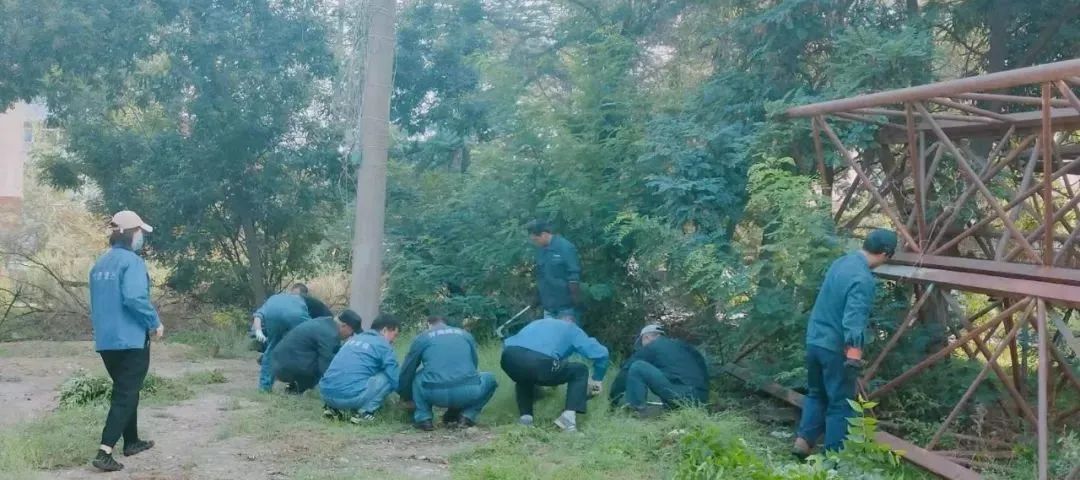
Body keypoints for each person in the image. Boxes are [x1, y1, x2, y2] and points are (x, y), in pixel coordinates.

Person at [793, 229, 897, 458]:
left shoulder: (840, 263)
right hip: (834, 348)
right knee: (840, 404)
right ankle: (834, 459)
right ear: (885, 253)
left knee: (816, 393)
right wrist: (854, 355)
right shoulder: (863, 279)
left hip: (814, 340)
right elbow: (854, 318)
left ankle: (803, 442)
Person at [87, 210, 161, 472]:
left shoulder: (100, 264)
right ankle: (105, 452)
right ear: (132, 233)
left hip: (106, 340)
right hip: (130, 340)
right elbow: (134, 298)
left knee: (127, 389)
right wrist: (154, 322)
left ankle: (132, 441)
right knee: (125, 394)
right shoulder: (132, 262)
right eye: (140, 232)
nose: (142, 237)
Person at [500, 316, 609, 432]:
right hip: (537, 362)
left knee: (524, 375)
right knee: (580, 370)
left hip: (508, 357)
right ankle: (568, 419)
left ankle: (526, 418)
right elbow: (602, 354)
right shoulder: (571, 328)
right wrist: (597, 379)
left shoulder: (539, 322)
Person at [399, 316, 498, 431]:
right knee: (490, 379)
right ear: (446, 324)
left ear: (429, 325)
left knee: (417, 376)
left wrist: (405, 395)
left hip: (434, 393)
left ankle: (423, 418)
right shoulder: (465, 335)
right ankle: (467, 416)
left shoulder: (423, 337)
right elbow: (474, 365)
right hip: (468, 392)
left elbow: (408, 369)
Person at [609, 324, 709, 417]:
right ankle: (673, 409)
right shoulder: (683, 346)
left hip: (682, 394)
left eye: (641, 343)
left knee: (637, 366)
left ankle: (636, 412)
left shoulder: (652, 346)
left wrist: (612, 400)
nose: (642, 347)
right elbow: (702, 367)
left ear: (646, 337)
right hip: (700, 398)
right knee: (671, 377)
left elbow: (624, 373)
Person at [319, 314, 401, 423]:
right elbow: (395, 377)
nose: (394, 340)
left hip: (326, 395)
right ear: (384, 330)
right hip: (350, 398)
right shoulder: (383, 345)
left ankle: (333, 409)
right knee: (387, 376)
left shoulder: (352, 340)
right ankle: (365, 413)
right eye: (395, 335)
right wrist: (406, 397)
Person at [271, 309, 362, 394]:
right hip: (286, 366)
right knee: (322, 366)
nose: (351, 336)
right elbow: (326, 366)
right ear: (344, 326)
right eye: (352, 332)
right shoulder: (329, 335)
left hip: (281, 360)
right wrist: (344, 387)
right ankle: (294, 389)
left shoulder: (327, 323)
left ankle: (293, 389)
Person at [251, 287, 313, 392]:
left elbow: (258, 315)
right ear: (305, 295)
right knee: (304, 349)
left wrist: (258, 330)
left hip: (273, 315)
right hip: (295, 316)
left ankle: (264, 387)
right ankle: (298, 385)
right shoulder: (302, 301)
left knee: (271, 350)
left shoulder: (274, 298)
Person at [527, 220, 583, 324]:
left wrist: (575, 302)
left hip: (566, 309)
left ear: (544, 234)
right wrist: (536, 300)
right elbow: (541, 277)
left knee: (566, 334)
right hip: (548, 308)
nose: (535, 243)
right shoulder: (540, 251)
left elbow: (574, 275)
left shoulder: (565, 247)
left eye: (536, 239)